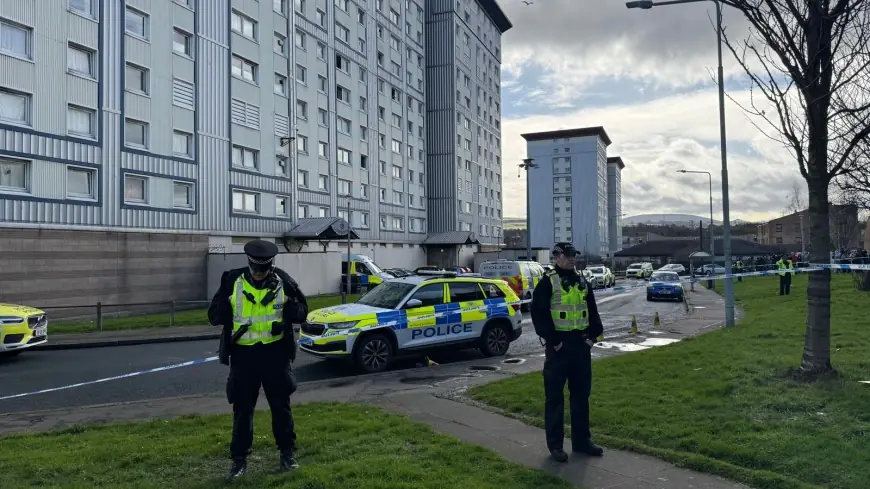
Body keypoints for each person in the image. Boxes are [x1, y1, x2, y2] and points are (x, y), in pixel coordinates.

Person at [208, 239, 309, 479]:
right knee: (242, 410)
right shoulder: (232, 279)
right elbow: (213, 315)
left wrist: (288, 316)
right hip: (244, 357)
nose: (259, 274)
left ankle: (287, 455)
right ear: (249, 264)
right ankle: (239, 462)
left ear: (270, 265)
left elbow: (303, 311)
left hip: (275, 355)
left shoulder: (283, 279)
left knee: (281, 408)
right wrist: (225, 309)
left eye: (263, 270)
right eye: (255, 270)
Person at [531, 242, 605, 463]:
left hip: (581, 347)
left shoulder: (582, 280)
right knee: (554, 399)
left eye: (574, 255)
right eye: (568, 255)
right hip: (559, 349)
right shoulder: (547, 282)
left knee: (581, 397)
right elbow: (539, 316)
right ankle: (556, 446)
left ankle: (582, 442)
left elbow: (592, 310)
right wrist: (554, 342)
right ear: (556, 256)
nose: (572, 258)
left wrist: (592, 337)